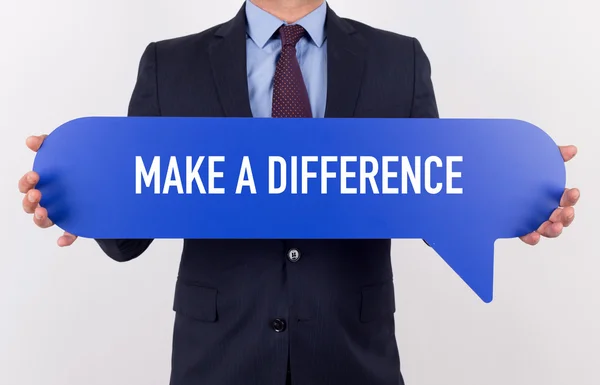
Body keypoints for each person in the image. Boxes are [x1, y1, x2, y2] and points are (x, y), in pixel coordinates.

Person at [18, 1, 580, 384]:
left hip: (353, 355)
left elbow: (429, 191)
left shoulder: (398, 58)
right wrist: (76, 194)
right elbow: (130, 225)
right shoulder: (170, 62)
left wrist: (508, 202)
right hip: (217, 357)